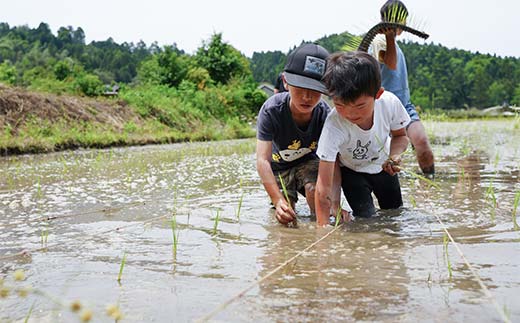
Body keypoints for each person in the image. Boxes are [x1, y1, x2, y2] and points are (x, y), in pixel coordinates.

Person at [315, 51, 411, 226]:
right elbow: (323, 185)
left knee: (394, 215)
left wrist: (394, 156)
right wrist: (323, 226)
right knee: (365, 222)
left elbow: (401, 136)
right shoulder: (334, 125)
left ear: (378, 94)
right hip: (353, 173)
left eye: (360, 105)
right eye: (340, 105)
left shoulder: (389, 104)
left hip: (384, 168)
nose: (350, 114)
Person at [256, 43, 339, 226]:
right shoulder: (271, 110)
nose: (307, 97)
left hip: (308, 163)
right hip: (279, 168)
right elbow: (263, 161)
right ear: (286, 82)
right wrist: (278, 200)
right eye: (300, 88)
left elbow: (333, 159)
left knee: (314, 191)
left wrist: (334, 203)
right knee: (286, 215)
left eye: (315, 90)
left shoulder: (324, 114)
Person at [372, 0, 435, 176]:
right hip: (386, 109)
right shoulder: (379, 40)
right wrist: (390, 37)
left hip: (405, 105)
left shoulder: (395, 44)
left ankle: (430, 181)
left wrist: (392, 39)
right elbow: (390, 64)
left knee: (421, 142)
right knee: (388, 154)